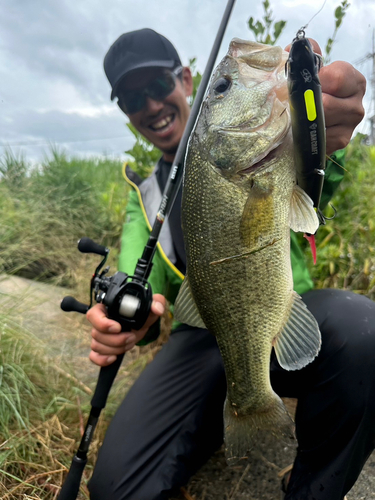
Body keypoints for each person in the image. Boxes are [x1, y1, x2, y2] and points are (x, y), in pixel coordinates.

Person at [87, 28, 373, 500]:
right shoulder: (143, 196)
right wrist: (122, 316)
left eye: (158, 87)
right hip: (200, 337)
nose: (151, 106)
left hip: (280, 316)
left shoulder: (269, 145)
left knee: (364, 331)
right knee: (116, 489)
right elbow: (142, 286)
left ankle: (311, 488)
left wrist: (320, 136)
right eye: (133, 99)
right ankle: (237, 410)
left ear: (185, 78)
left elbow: (317, 189)